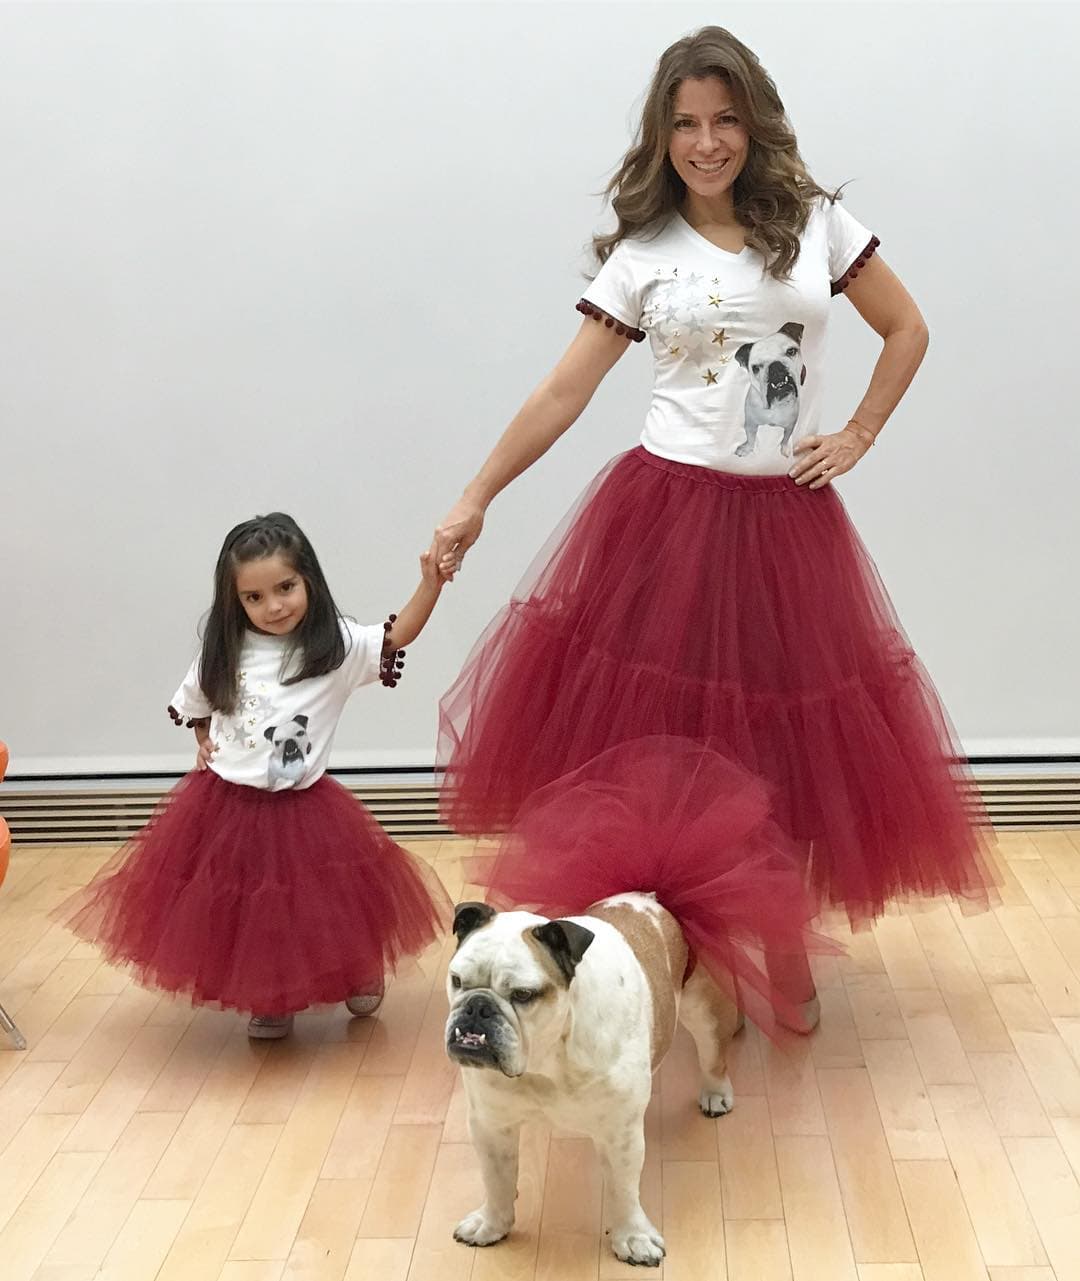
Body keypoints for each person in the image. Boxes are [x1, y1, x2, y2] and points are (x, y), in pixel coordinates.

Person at [430, 27, 993, 1022]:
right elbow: (563, 392)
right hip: (667, 524)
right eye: (685, 124)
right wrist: (477, 495)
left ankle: (781, 938)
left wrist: (858, 432)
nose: (706, 142)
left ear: (755, 122)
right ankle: (647, 950)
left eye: (725, 119)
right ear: (663, 134)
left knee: (788, 742)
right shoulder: (644, 254)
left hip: (786, 528)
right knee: (658, 745)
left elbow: (907, 327)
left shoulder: (815, 224)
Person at [60, 512, 451, 1039]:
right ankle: (270, 993)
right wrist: (203, 737)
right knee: (251, 910)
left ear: (308, 579)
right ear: (235, 601)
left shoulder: (333, 647)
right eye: (255, 597)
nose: (274, 606)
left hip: (305, 807)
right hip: (227, 807)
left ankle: (357, 967)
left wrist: (430, 584)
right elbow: (198, 703)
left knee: (325, 901)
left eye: (285, 588)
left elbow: (397, 633)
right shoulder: (225, 652)